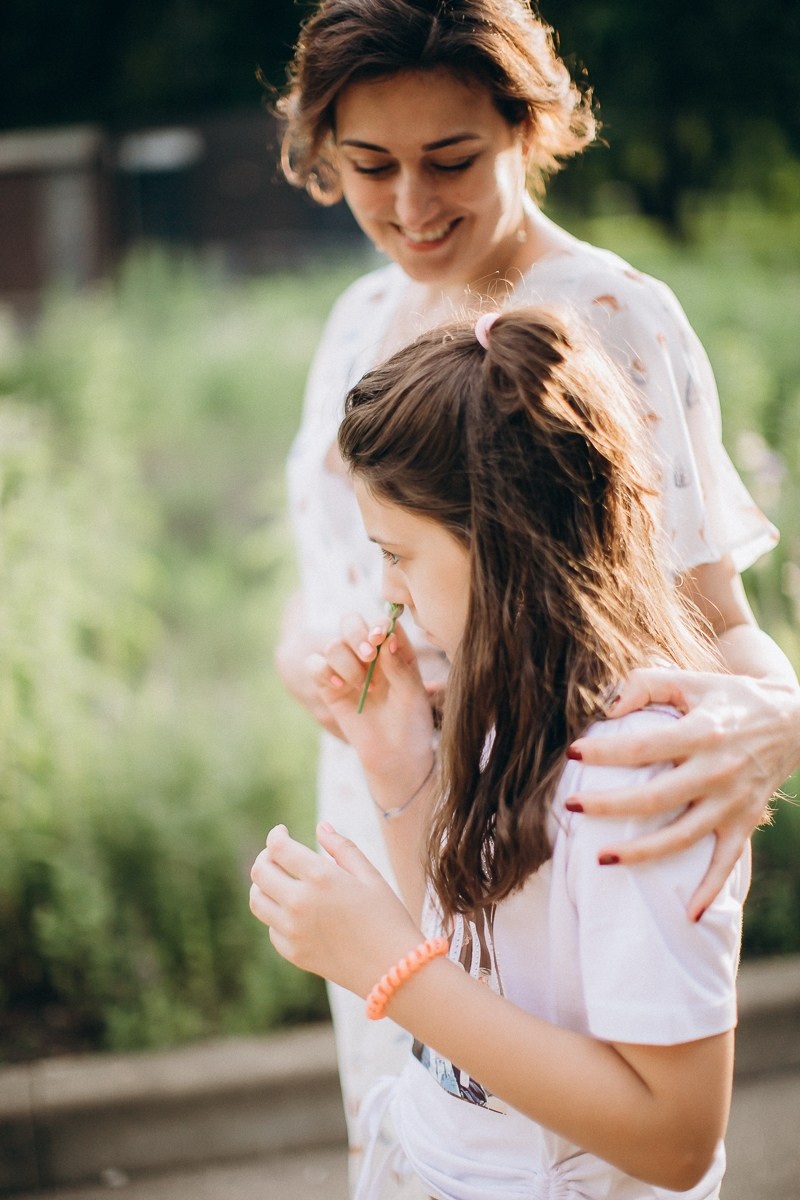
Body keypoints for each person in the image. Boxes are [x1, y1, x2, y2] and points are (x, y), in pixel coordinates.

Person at [272, 0, 800, 1183]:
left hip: (551, 827)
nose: (409, 206)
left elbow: (717, 630)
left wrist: (778, 720)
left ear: (527, 125)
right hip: (394, 801)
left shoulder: (612, 315)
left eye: (449, 159)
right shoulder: (356, 317)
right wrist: (314, 662)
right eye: (369, 166)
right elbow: (315, 577)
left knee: (553, 1146)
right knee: (432, 1135)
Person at [252, 306, 751, 1200]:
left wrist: (388, 969)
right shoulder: (505, 709)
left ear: (500, 543)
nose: (388, 593)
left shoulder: (638, 769)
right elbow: (472, 951)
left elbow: (676, 1139)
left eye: (398, 555)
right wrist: (399, 766)